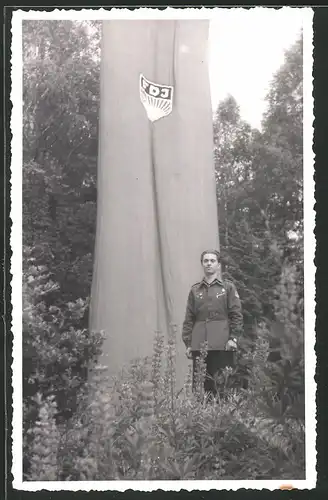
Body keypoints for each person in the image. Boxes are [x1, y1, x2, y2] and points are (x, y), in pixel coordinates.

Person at [182, 249, 243, 397]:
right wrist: (188, 343)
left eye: (212, 261)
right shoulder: (195, 290)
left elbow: (236, 315)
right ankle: (201, 417)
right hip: (199, 343)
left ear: (218, 265)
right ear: (202, 264)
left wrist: (233, 338)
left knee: (222, 384)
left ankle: (223, 418)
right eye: (206, 261)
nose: (209, 264)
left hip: (222, 343)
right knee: (200, 385)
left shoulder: (228, 287)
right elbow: (189, 318)